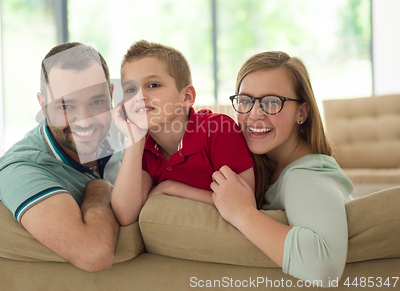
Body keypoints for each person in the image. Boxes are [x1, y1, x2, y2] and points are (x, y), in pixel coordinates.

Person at [211, 51, 353, 285]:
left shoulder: (307, 176)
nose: (254, 114)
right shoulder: (270, 168)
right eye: (246, 101)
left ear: (302, 112)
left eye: (272, 102)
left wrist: (242, 213)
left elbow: (325, 268)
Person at [0, 42, 125, 272]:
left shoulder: (128, 135)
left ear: (111, 95)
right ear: (43, 106)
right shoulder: (18, 169)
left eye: (96, 102)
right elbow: (94, 254)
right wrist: (99, 189)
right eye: (66, 106)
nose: (84, 121)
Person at [111, 40, 255, 226]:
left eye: (153, 85)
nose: (139, 96)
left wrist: (169, 188)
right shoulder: (144, 145)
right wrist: (134, 139)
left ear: (186, 97)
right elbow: (125, 215)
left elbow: (246, 202)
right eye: (130, 90)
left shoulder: (217, 130)